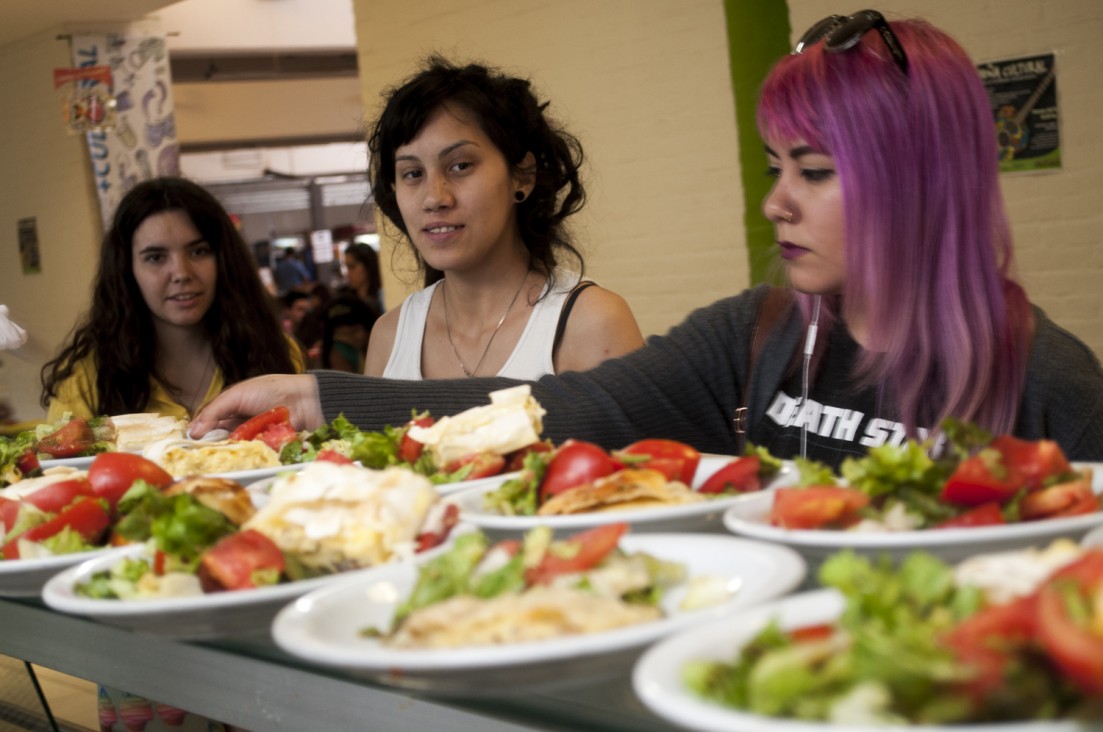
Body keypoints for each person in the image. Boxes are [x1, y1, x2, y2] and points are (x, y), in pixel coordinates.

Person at [191, 14, 1103, 466]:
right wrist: (321, 395)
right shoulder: (756, 333)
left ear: (920, 177)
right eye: (773, 166)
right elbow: (551, 407)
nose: (775, 204)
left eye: (813, 172)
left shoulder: (1050, 386)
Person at [361, 56, 644, 380]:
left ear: (522, 175)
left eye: (460, 166)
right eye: (412, 173)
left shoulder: (591, 323)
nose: (435, 198)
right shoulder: (389, 337)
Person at [42, 176, 306, 422]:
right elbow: (62, 469)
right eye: (156, 257)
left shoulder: (274, 351)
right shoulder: (84, 377)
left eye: (198, 251)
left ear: (223, 260)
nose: (181, 273)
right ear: (126, 270)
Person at [320, 295, 380, 373]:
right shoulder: (338, 351)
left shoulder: (381, 344)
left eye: (354, 331)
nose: (350, 338)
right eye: (342, 334)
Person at [341, 241, 385, 315]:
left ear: (367, 266)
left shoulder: (382, 298)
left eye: (352, 267)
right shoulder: (345, 300)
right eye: (347, 268)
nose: (348, 274)